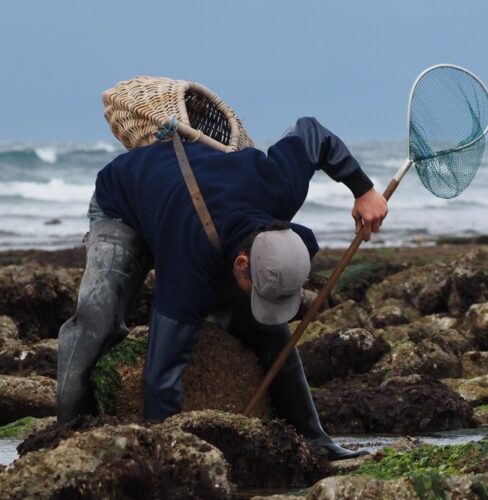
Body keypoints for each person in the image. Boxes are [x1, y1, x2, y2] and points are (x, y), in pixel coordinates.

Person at [56, 77, 387, 460]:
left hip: (195, 214)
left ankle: (314, 439)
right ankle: (67, 435)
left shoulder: (278, 188)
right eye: (256, 288)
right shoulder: (189, 271)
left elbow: (311, 132)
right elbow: (162, 377)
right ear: (241, 263)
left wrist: (363, 189)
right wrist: (168, 459)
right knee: (97, 317)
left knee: (270, 332)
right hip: (123, 207)